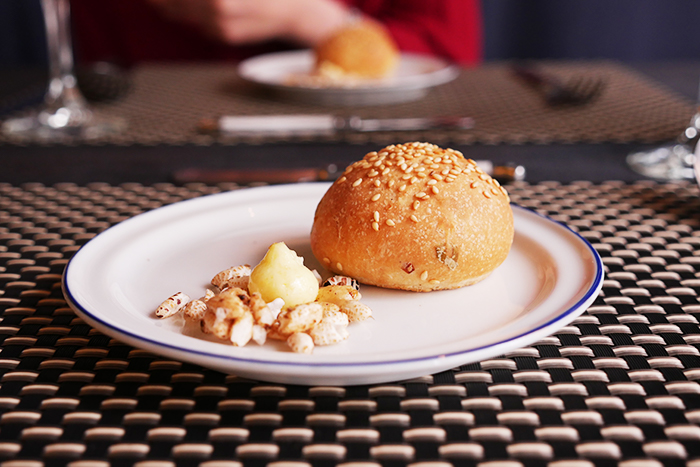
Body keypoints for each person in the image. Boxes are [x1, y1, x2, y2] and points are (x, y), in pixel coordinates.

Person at [69, 0, 482, 67]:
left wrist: (300, 16)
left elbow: (452, 54)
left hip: (368, 122)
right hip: (173, 122)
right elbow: (106, 80)